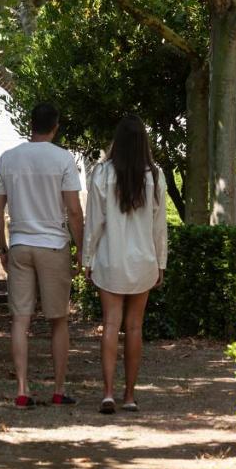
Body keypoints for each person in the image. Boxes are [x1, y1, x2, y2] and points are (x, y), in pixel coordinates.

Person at [0, 102, 84, 408]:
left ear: (29, 124)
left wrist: (3, 247)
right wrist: (81, 247)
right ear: (55, 126)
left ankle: (21, 389)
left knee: (20, 320)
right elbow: (73, 210)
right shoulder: (63, 159)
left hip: (19, 243)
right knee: (58, 321)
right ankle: (58, 390)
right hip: (53, 245)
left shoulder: (8, 158)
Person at [83, 115, 167, 415]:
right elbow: (160, 228)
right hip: (143, 261)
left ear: (116, 141)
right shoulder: (155, 175)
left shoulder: (102, 173)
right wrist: (161, 263)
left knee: (110, 325)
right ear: (143, 141)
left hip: (110, 259)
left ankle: (107, 394)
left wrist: (87, 259)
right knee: (134, 328)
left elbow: (94, 221)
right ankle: (129, 395)